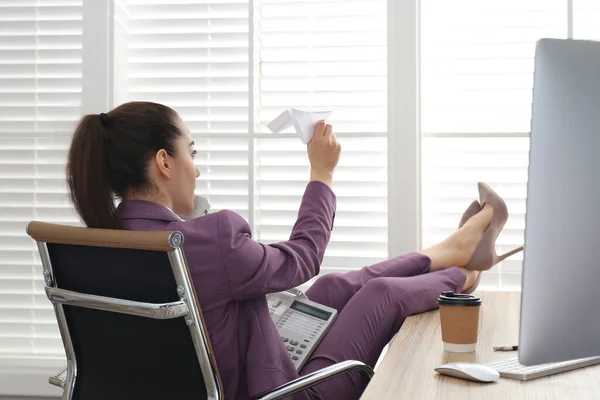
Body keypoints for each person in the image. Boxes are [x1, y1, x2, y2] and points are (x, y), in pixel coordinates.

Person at [66, 101, 522, 400]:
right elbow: (302, 255)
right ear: (164, 162)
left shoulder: (94, 247)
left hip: (228, 375)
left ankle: (449, 250)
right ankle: (465, 270)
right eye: (192, 152)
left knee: (330, 288)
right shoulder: (207, 241)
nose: (197, 170)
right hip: (282, 395)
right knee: (379, 294)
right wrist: (321, 173)